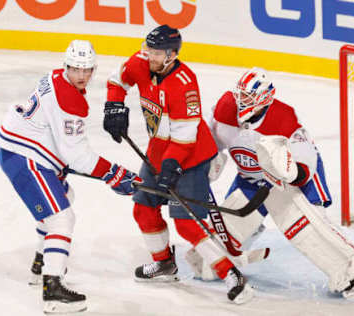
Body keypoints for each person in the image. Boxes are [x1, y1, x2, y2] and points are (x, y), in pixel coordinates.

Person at [103, 24, 254, 304]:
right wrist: (114, 106)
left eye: (156, 52)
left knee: (186, 223)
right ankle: (164, 264)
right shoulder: (142, 61)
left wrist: (170, 170)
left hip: (191, 158)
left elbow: (185, 138)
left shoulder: (185, 85)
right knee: (143, 208)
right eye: (148, 48)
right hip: (159, 152)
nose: (149, 55)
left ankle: (233, 274)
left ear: (171, 55)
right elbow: (117, 79)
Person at [195, 67, 354, 298]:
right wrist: (202, 162)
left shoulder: (284, 117)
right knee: (206, 263)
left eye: (248, 98)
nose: (241, 102)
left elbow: (305, 158)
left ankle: (353, 274)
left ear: (264, 99)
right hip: (251, 178)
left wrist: (292, 174)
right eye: (240, 95)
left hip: (290, 179)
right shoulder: (225, 108)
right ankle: (247, 234)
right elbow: (211, 142)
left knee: (306, 229)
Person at [0, 40, 141, 314]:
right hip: (25, 158)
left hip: (22, 149)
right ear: (67, 66)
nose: (82, 75)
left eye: (87, 70)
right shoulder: (70, 100)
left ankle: (41, 263)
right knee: (62, 218)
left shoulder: (55, 77)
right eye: (76, 69)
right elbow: (77, 156)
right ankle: (52, 291)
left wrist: (104, 172)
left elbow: (57, 138)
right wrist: (115, 174)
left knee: (65, 197)